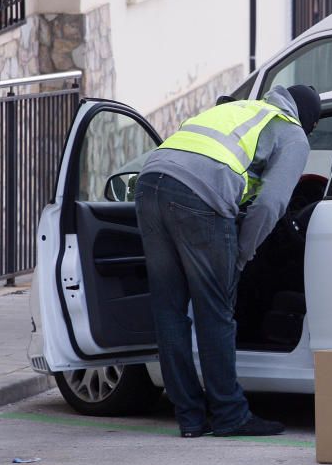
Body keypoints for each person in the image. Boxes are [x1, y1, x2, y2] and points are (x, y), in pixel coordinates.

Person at [134, 84, 320, 438]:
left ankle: (189, 417)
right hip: (199, 196)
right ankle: (229, 414)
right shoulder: (293, 134)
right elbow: (270, 205)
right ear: (308, 121)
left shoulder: (242, 111)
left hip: (149, 182)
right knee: (215, 309)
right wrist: (242, 254)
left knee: (169, 309)